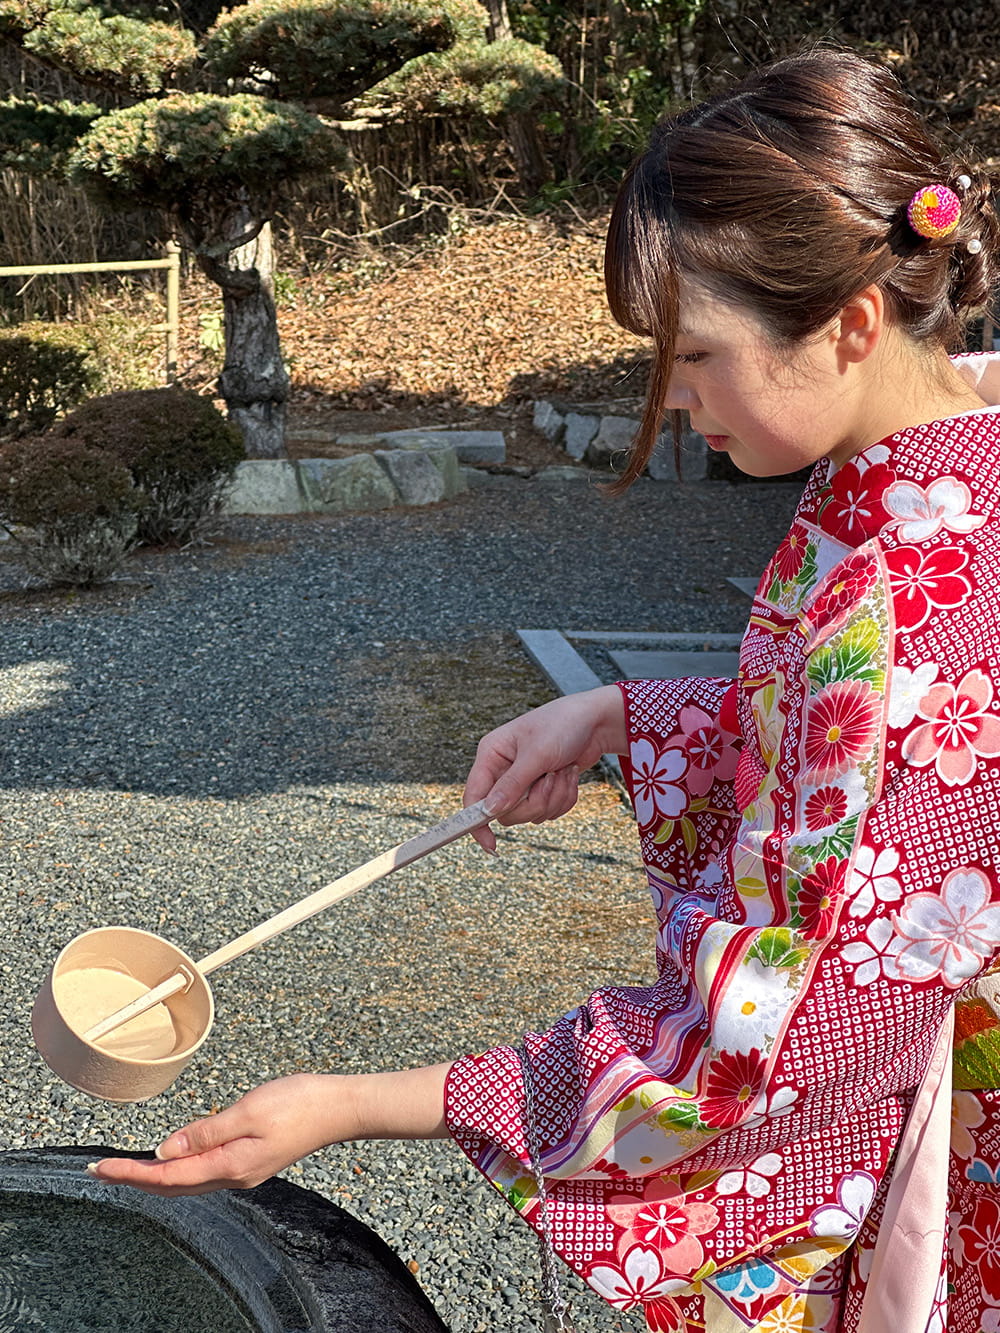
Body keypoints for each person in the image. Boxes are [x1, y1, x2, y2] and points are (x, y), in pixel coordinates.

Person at [90, 46, 1000, 1333]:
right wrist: (626, 717)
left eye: (696, 357)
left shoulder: (913, 608)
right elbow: (847, 758)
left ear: (851, 324)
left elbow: (772, 1038)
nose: (674, 402)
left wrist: (362, 1102)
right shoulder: (935, 488)